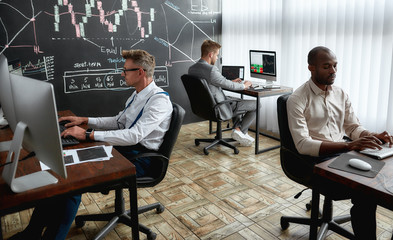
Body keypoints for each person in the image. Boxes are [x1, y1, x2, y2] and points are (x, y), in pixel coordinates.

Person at [9, 49, 172, 240]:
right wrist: (85, 119)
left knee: (72, 182)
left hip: (141, 159)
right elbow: (118, 121)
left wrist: (88, 134)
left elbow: (134, 136)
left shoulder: (159, 101)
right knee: (61, 167)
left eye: (126, 70)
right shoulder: (137, 95)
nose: (122, 74)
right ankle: (32, 232)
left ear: (140, 72)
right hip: (124, 149)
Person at [287, 46, 393, 240]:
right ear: (311, 68)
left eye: (335, 65)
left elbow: (352, 128)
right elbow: (303, 144)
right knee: (367, 192)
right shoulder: (297, 98)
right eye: (326, 66)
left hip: (343, 152)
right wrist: (348, 146)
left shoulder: (340, 93)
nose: (333, 71)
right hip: (316, 160)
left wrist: (373, 135)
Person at [188, 40, 256, 146]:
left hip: (205, 107)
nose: (217, 58)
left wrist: (230, 82)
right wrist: (244, 85)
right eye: (216, 55)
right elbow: (229, 85)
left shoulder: (192, 69)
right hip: (219, 107)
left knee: (237, 102)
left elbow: (213, 83)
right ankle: (239, 131)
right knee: (256, 104)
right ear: (211, 54)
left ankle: (238, 130)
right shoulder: (211, 69)